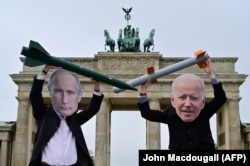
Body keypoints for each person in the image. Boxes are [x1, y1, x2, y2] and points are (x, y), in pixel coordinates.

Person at [138, 56, 226, 150]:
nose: (187, 104)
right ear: (173, 101)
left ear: (203, 102)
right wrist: (143, 92)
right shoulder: (170, 114)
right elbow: (147, 114)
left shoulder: (205, 111)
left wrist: (211, 74)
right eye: (182, 97)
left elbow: (220, 98)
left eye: (194, 98)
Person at [29, 65, 104, 166]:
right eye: (58, 92)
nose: (64, 101)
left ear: (79, 96)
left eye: (70, 93)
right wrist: (44, 71)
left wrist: (96, 87)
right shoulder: (44, 114)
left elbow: (92, 109)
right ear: (50, 93)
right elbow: (35, 96)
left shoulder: (75, 120)